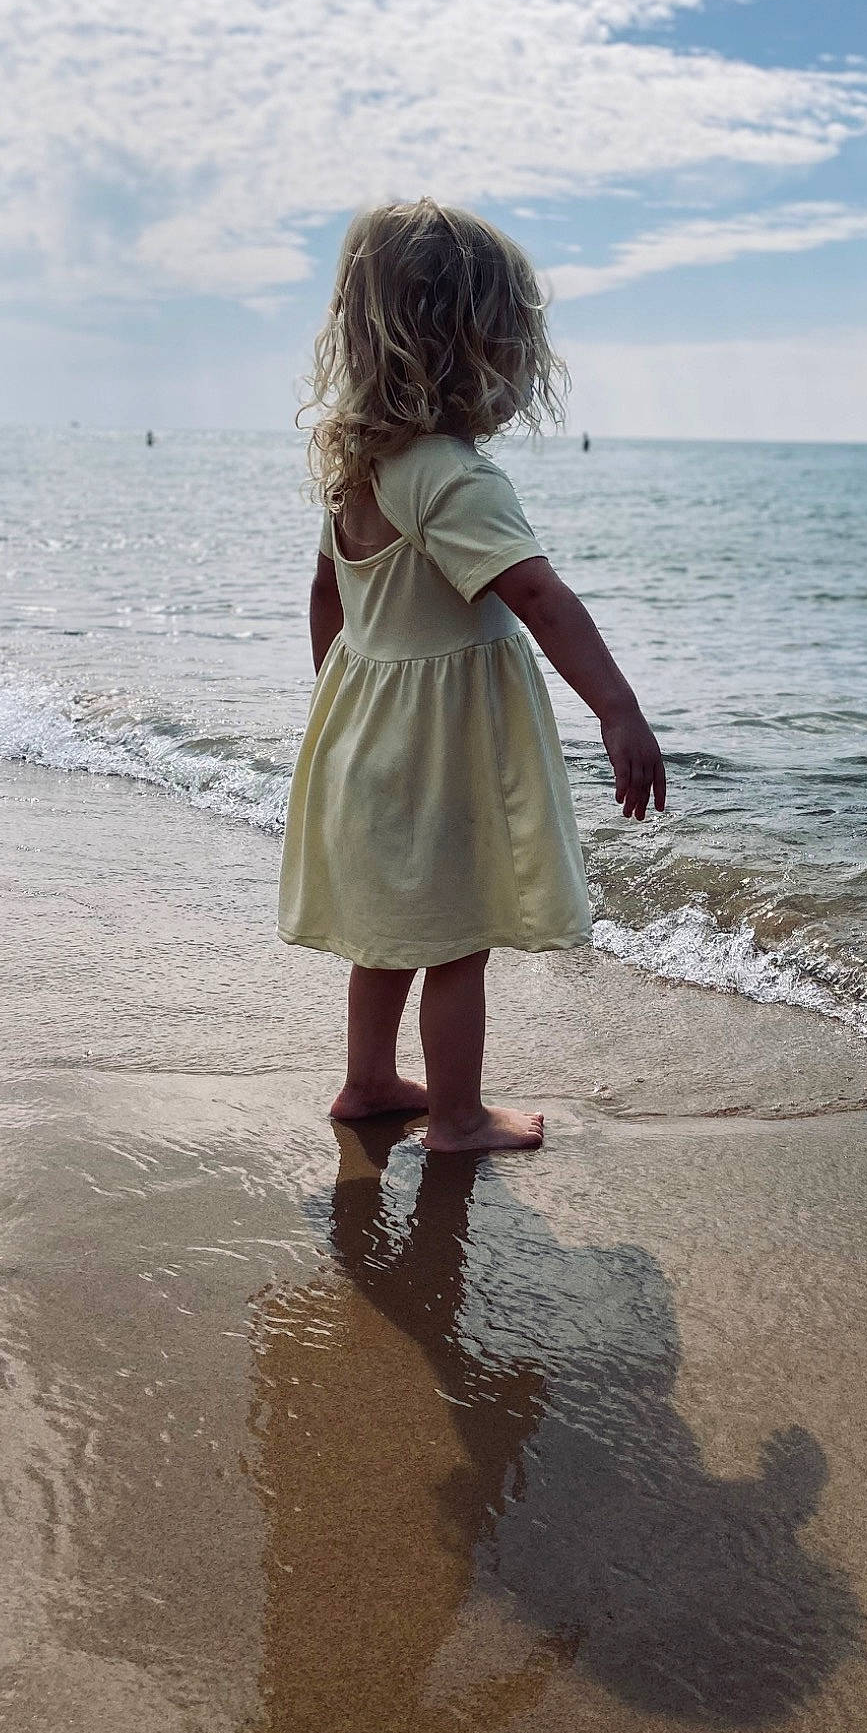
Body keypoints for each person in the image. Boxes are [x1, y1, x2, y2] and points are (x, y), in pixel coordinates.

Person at [279, 199, 665, 1152]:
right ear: (479, 348)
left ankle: (370, 1081)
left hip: (372, 731)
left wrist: (336, 705)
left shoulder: (357, 470)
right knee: (457, 935)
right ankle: (456, 1114)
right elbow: (539, 596)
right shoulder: (453, 476)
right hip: (441, 752)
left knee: (391, 931)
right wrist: (619, 711)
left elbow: (326, 600)